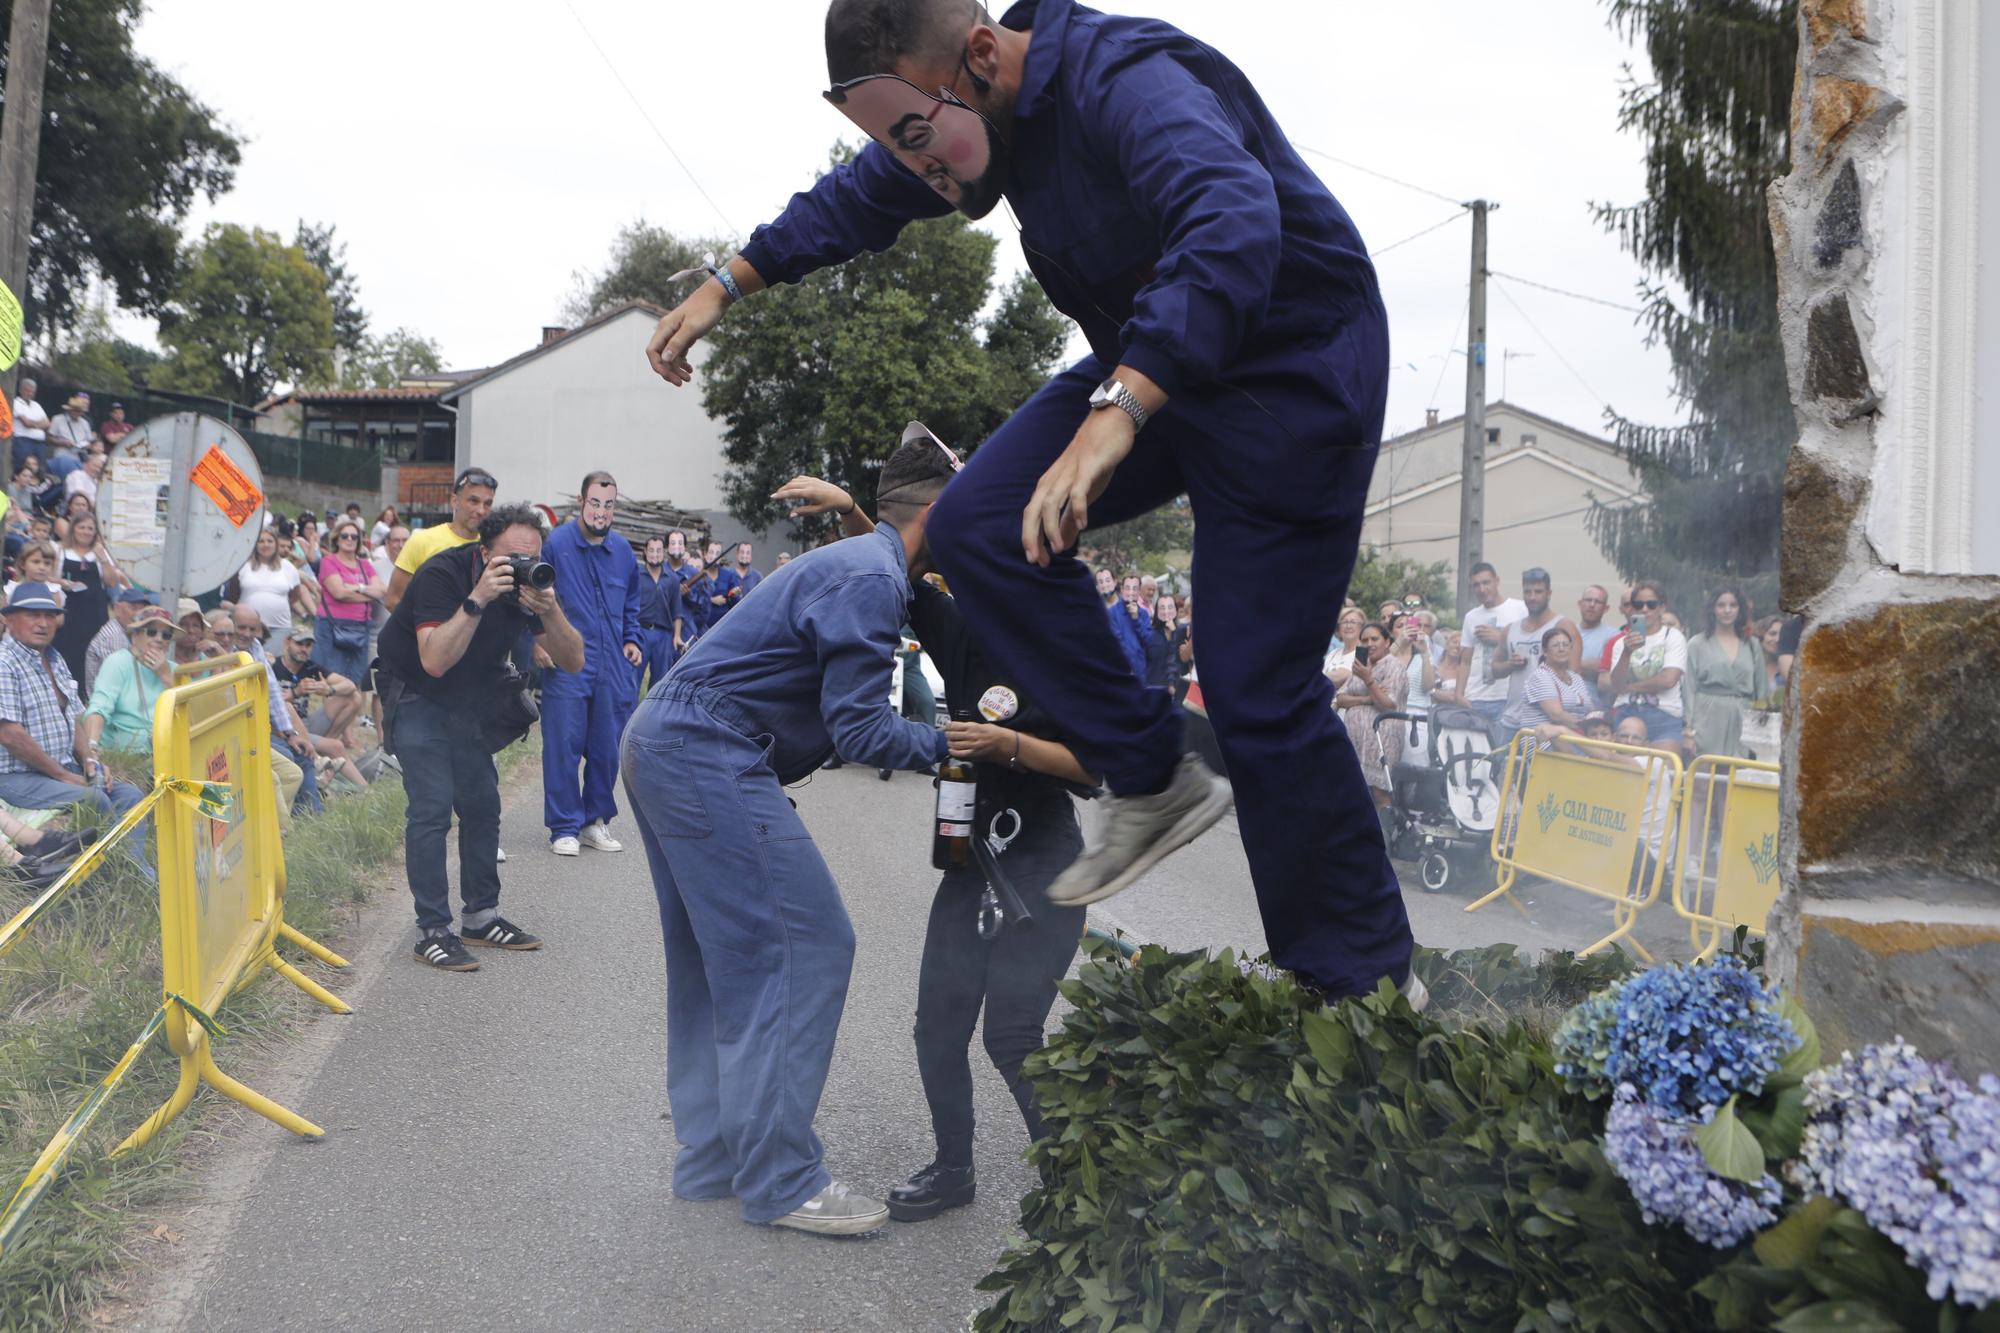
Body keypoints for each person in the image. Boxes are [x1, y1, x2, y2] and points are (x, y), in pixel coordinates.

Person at [643, 0, 1420, 1002]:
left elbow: (1229, 216)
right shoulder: (967, 114)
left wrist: (1120, 408)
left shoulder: (1123, 80)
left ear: (977, 55)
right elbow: (865, 192)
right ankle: (1148, 772)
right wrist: (729, 282)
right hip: (1165, 359)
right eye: (896, 144)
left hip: (1291, 367)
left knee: (1254, 686)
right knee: (972, 525)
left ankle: (1357, 978)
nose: (919, 167)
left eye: (920, 137)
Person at [618, 435, 959, 1238]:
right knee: (808, 944)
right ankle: (780, 1176)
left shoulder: (866, 564)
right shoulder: (872, 576)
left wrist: (848, 505)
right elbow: (862, 728)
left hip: (668, 739)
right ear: (941, 513)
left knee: (720, 960)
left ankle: (714, 1160)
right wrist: (953, 743)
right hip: (707, 747)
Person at [379, 504, 583, 968]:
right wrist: (478, 599)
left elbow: (572, 661)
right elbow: (433, 660)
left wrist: (550, 613)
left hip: (469, 699)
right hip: (416, 691)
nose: (522, 567)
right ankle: (432, 928)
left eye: (531, 557)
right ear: (484, 550)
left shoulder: (534, 585)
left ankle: (481, 917)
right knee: (431, 806)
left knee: (482, 803)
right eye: (511, 558)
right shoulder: (443, 574)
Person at [541, 471, 644, 857]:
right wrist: (538, 643)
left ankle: (593, 821)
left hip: (612, 664)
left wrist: (632, 639)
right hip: (567, 661)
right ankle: (564, 826)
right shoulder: (556, 545)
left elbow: (632, 604)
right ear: (582, 502)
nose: (602, 511)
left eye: (609, 504)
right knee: (563, 744)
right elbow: (534, 596)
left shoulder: (622, 553)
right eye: (595, 503)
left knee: (606, 747)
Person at [0, 583, 145, 820]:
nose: (43, 623)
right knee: (93, 799)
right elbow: (9, 734)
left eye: (49, 615)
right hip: (16, 776)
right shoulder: (4, 662)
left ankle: (126, 859)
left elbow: (73, 719)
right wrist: (64, 776)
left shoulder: (55, 659)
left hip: (61, 769)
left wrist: (90, 761)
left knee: (130, 796)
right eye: (33, 615)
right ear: (8, 619)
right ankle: (107, 856)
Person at [231, 604, 325, 816]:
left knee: (301, 750)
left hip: (263, 727)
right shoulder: (227, 651)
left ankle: (311, 818)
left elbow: (272, 693)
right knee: (287, 757)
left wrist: (291, 734)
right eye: (241, 627)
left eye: (252, 629)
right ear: (287, 644)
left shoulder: (255, 648)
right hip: (240, 732)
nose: (246, 634)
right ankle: (280, 829)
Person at [386, 468, 497, 611]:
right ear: (454, 501)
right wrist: (426, 629)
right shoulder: (422, 540)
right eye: (473, 501)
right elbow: (393, 600)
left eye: (487, 503)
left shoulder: (493, 546)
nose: (481, 510)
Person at [77, 605, 177, 759]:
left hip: (167, 755)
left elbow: (189, 717)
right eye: (151, 632)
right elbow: (99, 708)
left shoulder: (174, 669)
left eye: (166, 635)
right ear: (135, 635)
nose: (159, 639)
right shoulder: (119, 662)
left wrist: (166, 677)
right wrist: (92, 747)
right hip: (126, 760)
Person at [1682, 587, 1764, 759]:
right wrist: (1688, 730)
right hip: (1707, 716)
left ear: (1740, 609)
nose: (1727, 610)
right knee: (1703, 778)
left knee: (1736, 780)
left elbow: (1761, 689)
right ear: (1713, 609)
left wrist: (1761, 726)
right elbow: (1688, 688)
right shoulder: (1697, 644)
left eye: (1733, 605)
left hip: (1743, 717)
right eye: (1721, 605)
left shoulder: (1752, 644)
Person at [1334, 622, 1407, 806]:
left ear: (1387, 642)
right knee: (1355, 792)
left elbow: (1387, 704)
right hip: (1356, 741)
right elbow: (1341, 698)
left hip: (1383, 739)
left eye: (1374, 639)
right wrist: (1367, 698)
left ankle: (1385, 833)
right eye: (1365, 640)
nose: (1369, 644)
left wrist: (1368, 680)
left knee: (1380, 793)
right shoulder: (1361, 666)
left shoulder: (1394, 666)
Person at [1606, 580, 1690, 742]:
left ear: (1662, 608)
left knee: (1663, 766)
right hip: (1627, 711)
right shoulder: (1621, 642)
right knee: (1626, 766)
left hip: (1664, 713)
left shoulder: (1673, 637)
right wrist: (1626, 652)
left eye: (1651, 604)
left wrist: (1629, 687)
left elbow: (1668, 680)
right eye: (1638, 604)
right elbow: (1616, 685)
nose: (1644, 609)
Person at [1459, 562, 1527, 742]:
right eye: (1476, 585)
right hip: (1475, 697)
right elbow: (1465, 660)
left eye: (1486, 582)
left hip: (1507, 697)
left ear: (1497, 581)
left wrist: (1500, 638)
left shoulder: (1519, 608)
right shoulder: (1471, 616)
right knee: (1475, 756)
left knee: (1502, 757)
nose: (1482, 589)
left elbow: (1530, 648)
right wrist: (1459, 694)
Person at [52, 512, 120, 687]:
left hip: (95, 612)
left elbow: (112, 582)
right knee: (68, 652)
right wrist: (63, 582)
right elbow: (50, 579)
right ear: (73, 528)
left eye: (90, 528)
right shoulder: (60, 551)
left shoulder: (100, 553)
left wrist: (103, 558)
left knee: (93, 652)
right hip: (70, 612)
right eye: (82, 527)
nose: (86, 531)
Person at [313, 520, 383, 684]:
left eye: (354, 536)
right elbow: (338, 593)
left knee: (357, 680)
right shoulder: (328, 562)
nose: (349, 539)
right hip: (332, 626)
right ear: (337, 539)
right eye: (345, 535)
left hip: (361, 626)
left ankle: (352, 710)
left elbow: (381, 591)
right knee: (334, 679)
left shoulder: (365, 564)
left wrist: (356, 587)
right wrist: (368, 591)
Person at [1501, 623, 1595, 744]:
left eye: (1565, 645)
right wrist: (1588, 728)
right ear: (1545, 651)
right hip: (1545, 743)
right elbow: (1556, 715)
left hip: (1575, 738)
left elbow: (1590, 709)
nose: (1561, 649)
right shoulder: (1540, 676)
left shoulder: (1576, 678)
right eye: (1555, 645)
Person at [237, 528, 310, 649]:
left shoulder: (287, 567)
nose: (265, 544)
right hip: (247, 628)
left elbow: (296, 594)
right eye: (261, 541)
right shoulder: (244, 565)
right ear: (255, 543)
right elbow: (234, 594)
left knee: (274, 663)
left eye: (270, 541)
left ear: (276, 544)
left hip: (279, 627)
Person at [85, 587, 153, 696]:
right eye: (133, 608)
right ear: (117, 609)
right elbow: (122, 679)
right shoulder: (114, 636)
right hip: (107, 704)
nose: (138, 614)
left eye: (142, 610)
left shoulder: (129, 632)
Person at [635, 535, 684, 687]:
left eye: (658, 551)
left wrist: (676, 636)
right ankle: (630, 711)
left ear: (664, 553)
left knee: (659, 683)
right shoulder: (635, 576)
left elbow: (677, 611)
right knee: (633, 679)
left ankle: (653, 711)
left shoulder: (673, 579)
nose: (655, 554)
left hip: (663, 636)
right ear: (645, 552)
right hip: (640, 632)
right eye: (651, 550)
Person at [1574, 585, 1618, 701]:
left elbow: (1609, 666)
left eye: (1598, 602)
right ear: (1580, 604)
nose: (1592, 605)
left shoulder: (1614, 635)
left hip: (1596, 705)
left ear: (1606, 608)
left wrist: (1569, 663)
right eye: (1588, 600)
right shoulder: (1568, 632)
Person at [1104, 573, 1150, 681]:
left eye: (1135, 589)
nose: (1131, 592)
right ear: (1122, 589)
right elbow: (1117, 641)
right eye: (1127, 588)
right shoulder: (1112, 613)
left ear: (1139, 591)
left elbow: (1148, 641)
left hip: (1141, 672)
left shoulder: (1144, 614)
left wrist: (1136, 618)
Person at [713, 541, 763, 616]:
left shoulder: (758, 577)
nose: (744, 555)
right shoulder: (727, 574)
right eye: (742, 552)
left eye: (748, 553)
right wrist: (730, 596)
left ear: (751, 556)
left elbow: (761, 600)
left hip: (750, 618)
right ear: (737, 554)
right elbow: (720, 598)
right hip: (729, 617)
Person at [1322, 604, 1366, 688]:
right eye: (1344, 622)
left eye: (1353, 622)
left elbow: (1341, 677)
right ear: (1338, 628)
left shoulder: (1363, 652)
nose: (1348, 626)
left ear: (1362, 627)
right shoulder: (1333, 653)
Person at [1145, 592, 1181, 690]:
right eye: (1162, 608)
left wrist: (1175, 633)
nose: (1166, 612)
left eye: (1170, 607)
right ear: (1156, 612)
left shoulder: (1181, 632)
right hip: (1154, 687)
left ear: (1176, 610)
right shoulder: (1149, 635)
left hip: (1178, 689)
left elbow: (1181, 659)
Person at [10, 378, 50, 463]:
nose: (30, 394)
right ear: (20, 390)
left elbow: (47, 423)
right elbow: (26, 423)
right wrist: (39, 424)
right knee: (22, 467)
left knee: (39, 469)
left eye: (32, 392)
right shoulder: (15, 403)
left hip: (39, 443)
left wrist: (33, 424)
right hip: (22, 441)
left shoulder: (36, 405)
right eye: (27, 391)